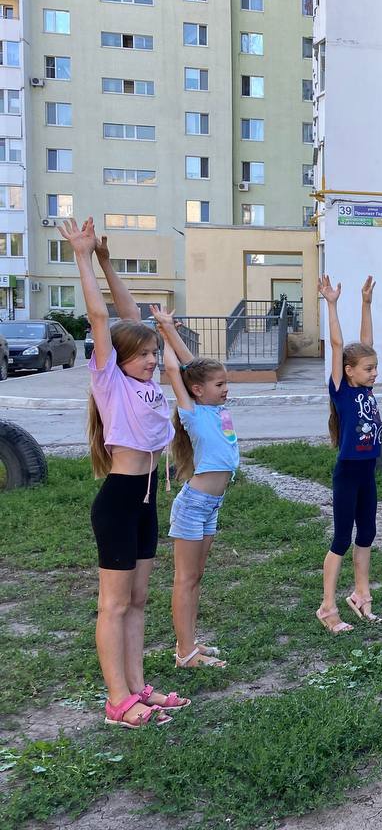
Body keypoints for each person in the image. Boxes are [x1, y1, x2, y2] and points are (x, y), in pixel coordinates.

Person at [61, 218, 189, 728]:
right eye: (144, 356)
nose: (152, 360)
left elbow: (130, 316)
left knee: (137, 600)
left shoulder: (145, 377)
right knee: (113, 605)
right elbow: (101, 316)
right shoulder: (109, 380)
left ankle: (137, 686)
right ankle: (117, 700)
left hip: (148, 495)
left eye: (155, 354)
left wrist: (111, 262)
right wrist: (83, 257)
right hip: (120, 498)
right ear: (117, 360)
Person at [157, 310, 238, 670]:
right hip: (193, 505)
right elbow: (178, 371)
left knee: (197, 577)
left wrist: (172, 328)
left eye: (225, 383)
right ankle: (185, 654)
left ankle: (188, 643)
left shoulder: (216, 409)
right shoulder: (192, 412)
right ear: (198, 391)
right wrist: (163, 332)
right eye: (220, 385)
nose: (226, 389)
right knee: (185, 579)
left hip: (212, 505)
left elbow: (193, 368)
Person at [318, 274, 382, 632]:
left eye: (375, 368)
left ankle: (361, 595)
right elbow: (340, 344)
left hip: (367, 473)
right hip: (347, 472)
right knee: (342, 538)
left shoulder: (366, 390)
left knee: (367, 533)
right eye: (369, 369)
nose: (375, 373)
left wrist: (367, 304)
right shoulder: (342, 390)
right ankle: (327, 607)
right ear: (349, 371)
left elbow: (365, 343)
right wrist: (331, 303)